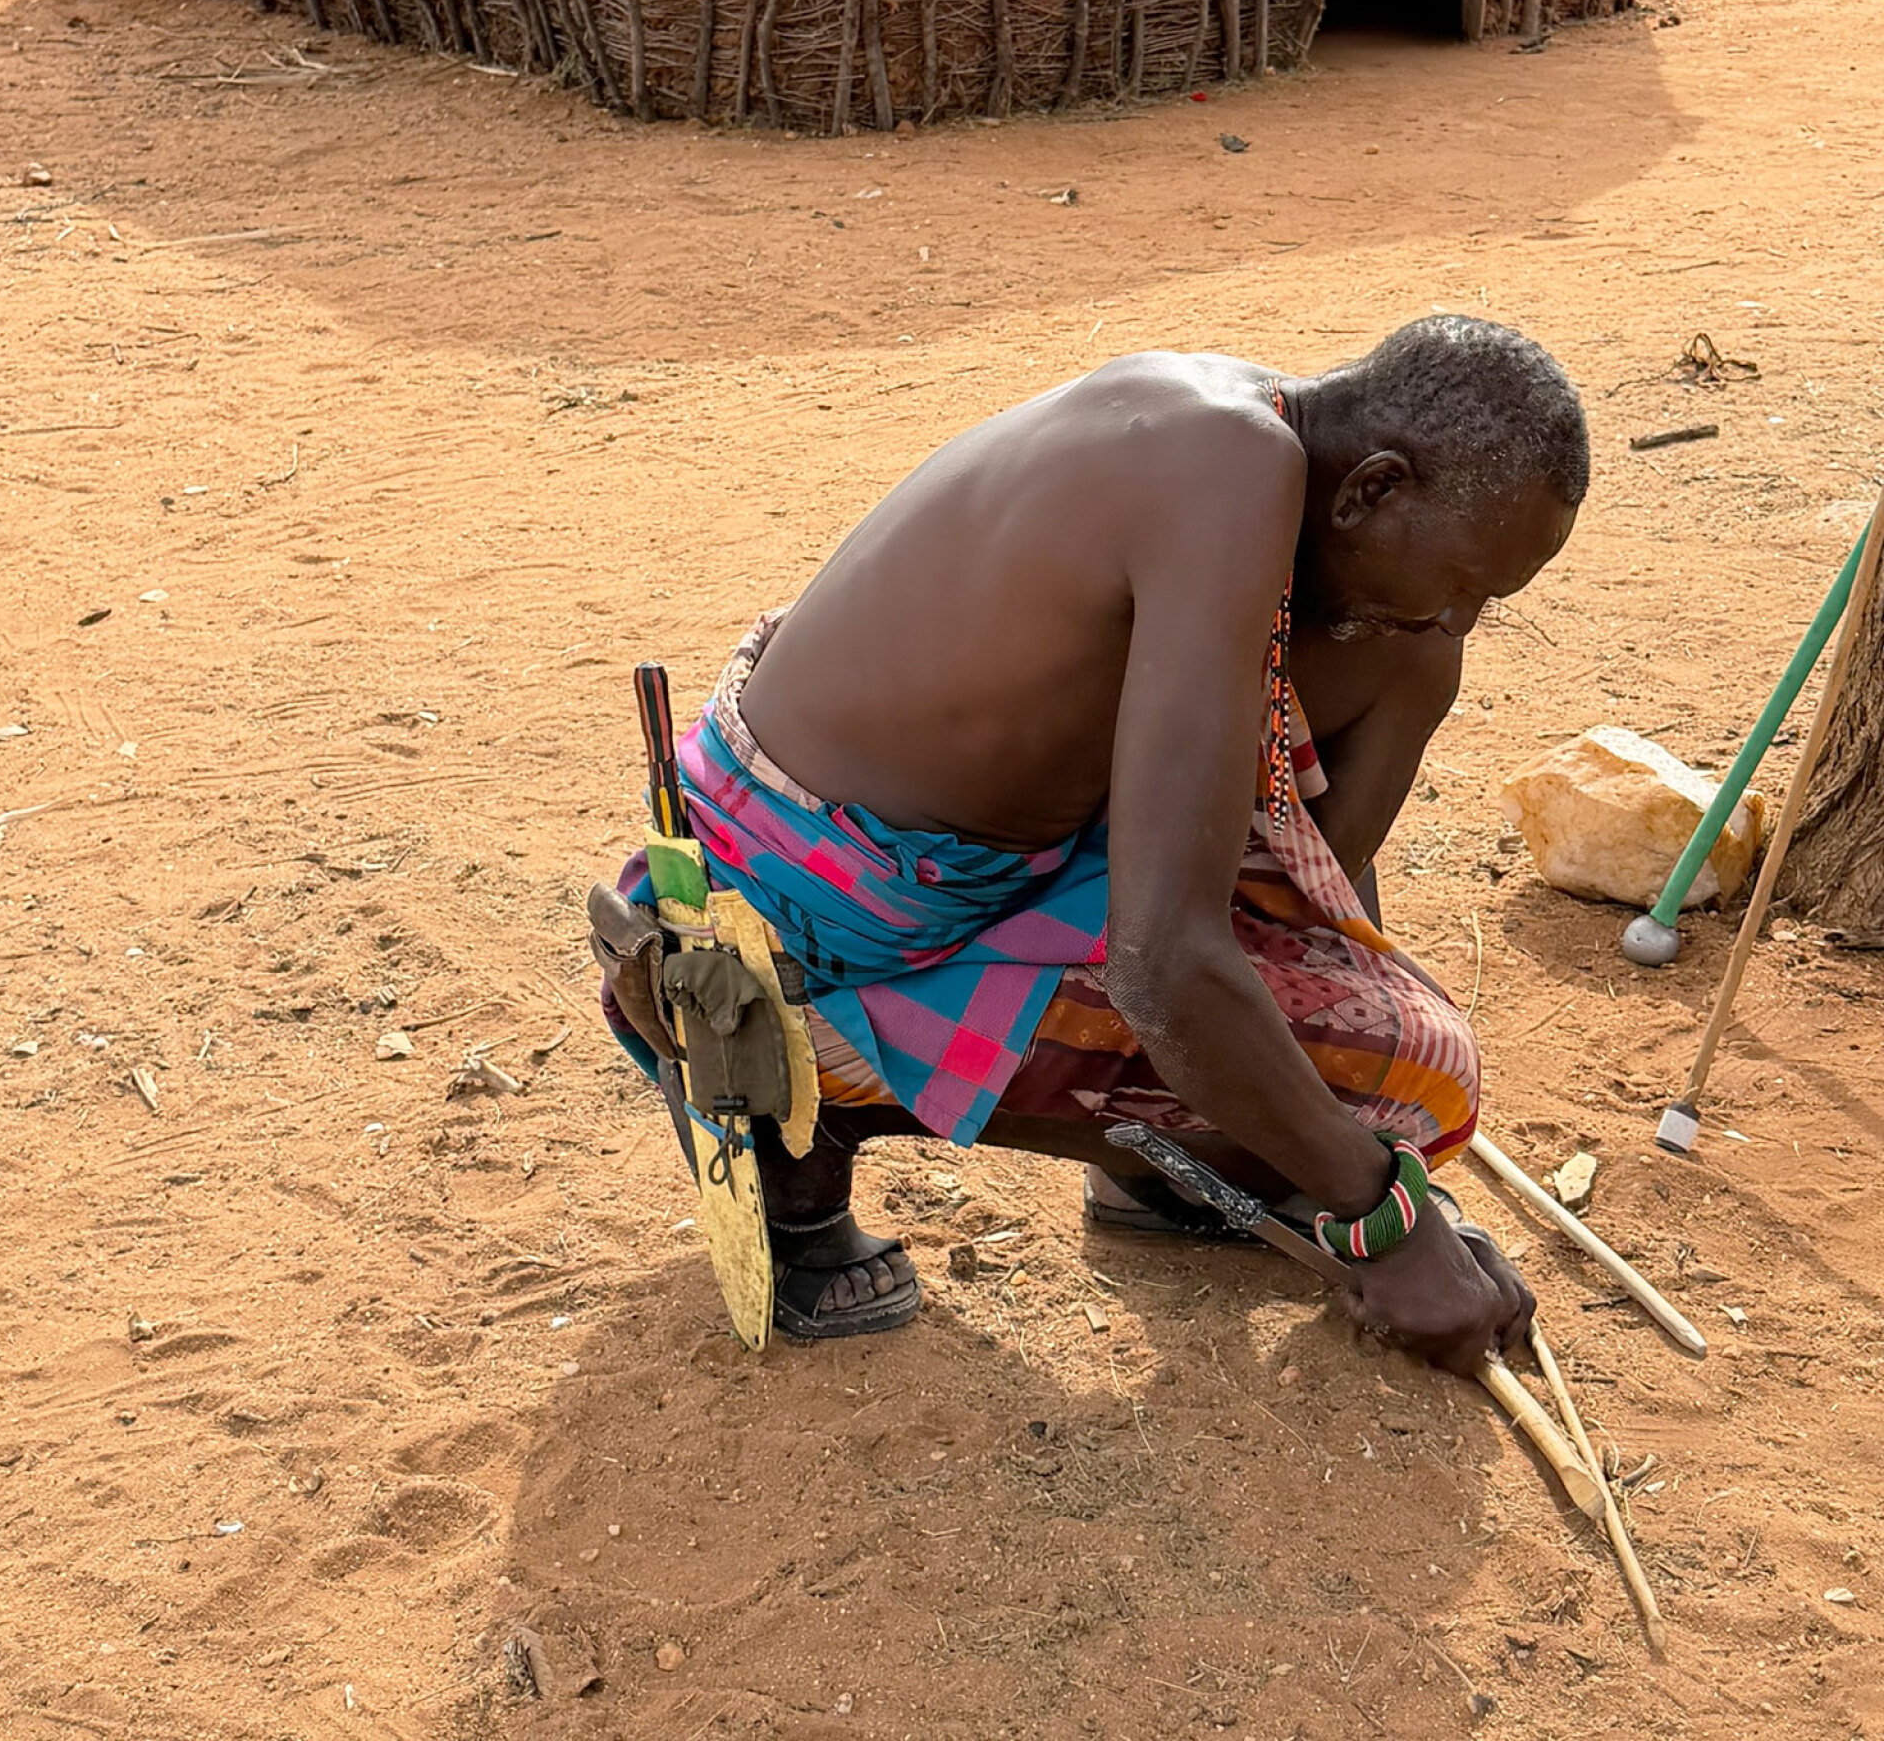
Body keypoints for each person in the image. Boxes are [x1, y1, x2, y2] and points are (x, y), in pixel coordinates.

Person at [600, 315, 1588, 1368]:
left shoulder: (1243, 435)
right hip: (813, 889)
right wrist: (1380, 1208)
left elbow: (1300, 910)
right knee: (1415, 1075)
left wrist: (1341, 1138)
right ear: (1373, 489)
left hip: (911, 843)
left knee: (1404, 682)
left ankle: (1169, 1157)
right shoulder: (1231, 480)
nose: (1464, 620)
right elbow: (1165, 968)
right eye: (1469, 583)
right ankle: (799, 1090)